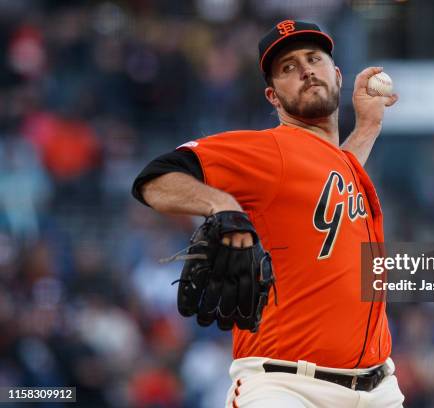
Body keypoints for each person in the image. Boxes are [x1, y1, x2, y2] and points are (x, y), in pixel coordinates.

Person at [132, 20, 404, 408]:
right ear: (273, 97)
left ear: (338, 75)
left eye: (314, 58)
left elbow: (327, 179)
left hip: (379, 390)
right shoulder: (269, 150)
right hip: (287, 387)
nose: (306, 69)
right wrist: (222, 205)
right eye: (288, 68)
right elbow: (154, 179)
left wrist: (369, 126)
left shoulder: (337, 166)